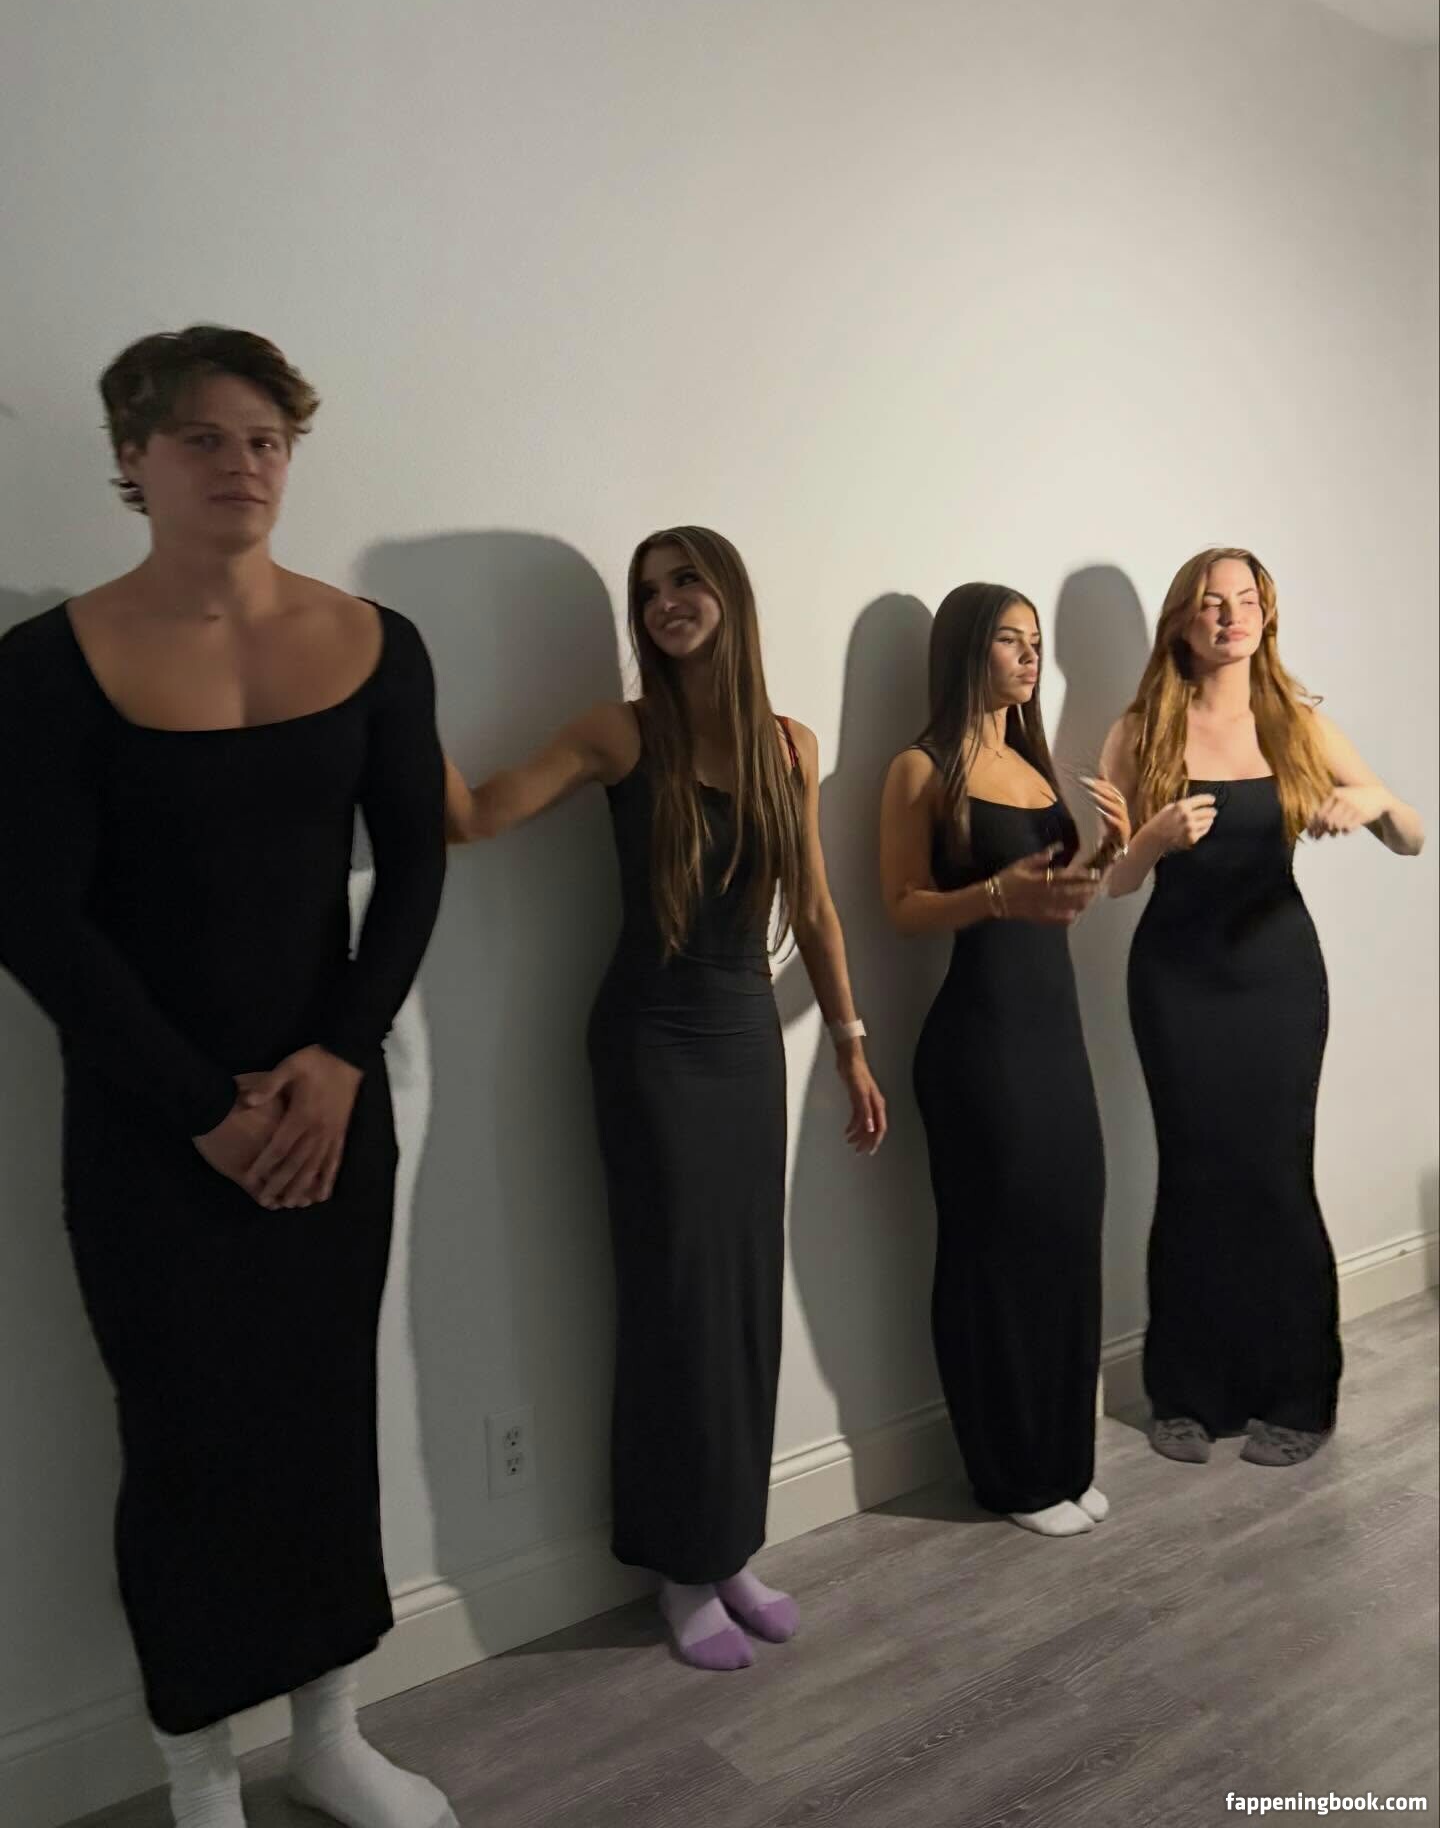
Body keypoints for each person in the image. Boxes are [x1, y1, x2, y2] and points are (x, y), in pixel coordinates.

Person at [0, 327, 455, 1828]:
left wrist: (340, 1057)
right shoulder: (46, 669)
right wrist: (200, 1109)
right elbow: (34, 919)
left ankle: (329, 1735)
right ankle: (200, 1774)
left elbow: (411, 874)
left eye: (266, 439)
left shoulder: (378, 644)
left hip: (333, 1109)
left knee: (320, 1419)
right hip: (150, 1126)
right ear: (133, 458)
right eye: (202, 437)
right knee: (182, 1440)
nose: (242, 465)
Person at [445, 523, 887, 1668]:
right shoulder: (619, 733)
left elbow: (817, 908)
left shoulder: (790, 744)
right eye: (648, 591)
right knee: (675, 1302)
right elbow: (478, 815)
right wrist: (388, 710)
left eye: (686, 581)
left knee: (741, 1300)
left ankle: (728, 1544)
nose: (666, 604)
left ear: (728, 593)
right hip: (650, 1045)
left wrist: (849, 1044)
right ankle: (678, 1568)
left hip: (747, 1043)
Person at [1101, 548, 1424, 1467]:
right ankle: (1186, 1394)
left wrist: (1370, 799)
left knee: (1276, 1175)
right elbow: (1110, 880)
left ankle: (1300, 1397)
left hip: (1277, 981)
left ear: (1265, 616)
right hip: (1175, 980)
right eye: (1212, 602)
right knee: (1192, 1173)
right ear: (1183, 619)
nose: (1230, 616)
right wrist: (1153, 838)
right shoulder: (1139, 731)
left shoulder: (1297, 723)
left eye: (1245, 600)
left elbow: (1412, 836)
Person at [880, 582, 1128, 1536]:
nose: (1030, 656)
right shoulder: (920, 768)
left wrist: (1110, 852)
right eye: (1010, 640)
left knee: (1068, 1232)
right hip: (978, 1042)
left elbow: (1054, 905)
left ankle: (1065, 1460)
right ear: (965, 651)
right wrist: (989, 895)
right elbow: (901, 906)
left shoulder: (1032, 765)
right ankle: (1013, 1477)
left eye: (1035, 641)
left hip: (1054, 1034)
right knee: (996, 1251)